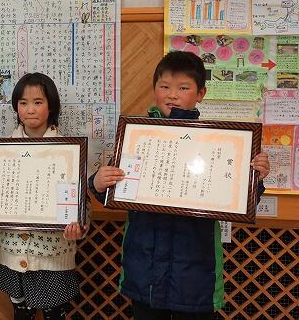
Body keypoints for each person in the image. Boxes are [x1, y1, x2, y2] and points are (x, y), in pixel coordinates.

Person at [88, 51, 270, 320]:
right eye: (164, 87)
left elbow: (241, 200)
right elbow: (115, 191)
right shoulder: (136, 137)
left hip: (195, 272)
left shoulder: (219, 142)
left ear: (201, 93)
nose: (172, 95)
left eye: (183, 88)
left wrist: (256, 177)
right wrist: (99, 183)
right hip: (145, 268)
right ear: (154, 89)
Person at [0, 72, 91, 320]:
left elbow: (81, 201)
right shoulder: (0, 151)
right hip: (12, 251)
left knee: (54, 314)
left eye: (38, 102)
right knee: (20, 313)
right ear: (16, 107)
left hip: (53, 255)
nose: (30, 109)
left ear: (51, 106)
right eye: (23, 103)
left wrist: (80, 226)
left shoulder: (67, 150)